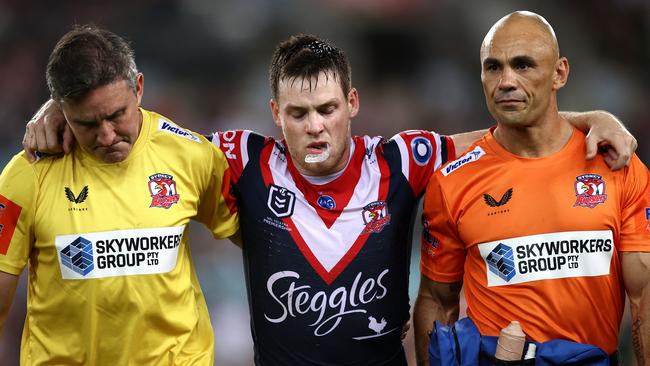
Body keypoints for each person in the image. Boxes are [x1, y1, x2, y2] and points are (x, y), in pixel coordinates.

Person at [20, 34, 638, 365]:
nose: (314, 125)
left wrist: (587, 118)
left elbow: (506, 134)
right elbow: (142, 134)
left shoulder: (404, 160)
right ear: (275, 115)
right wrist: (60, 110)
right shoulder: (238, 159)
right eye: (297, 113)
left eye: (325, 109)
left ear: (352, 105)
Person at [414, 11, 650, 365]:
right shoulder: (452, 181)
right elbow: (436, 300)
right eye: (493, 67)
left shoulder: (617, 166)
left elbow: (643, 297)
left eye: (523, 65)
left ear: (560, 73)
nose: (506, 81)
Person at [0, 25, 238, 365]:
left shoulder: (192, 155)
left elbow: (262, 239)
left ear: (138, 88)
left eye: (116, 115)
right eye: (87, 124)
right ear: (63, 111)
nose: (108, 135)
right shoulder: (27, 176)